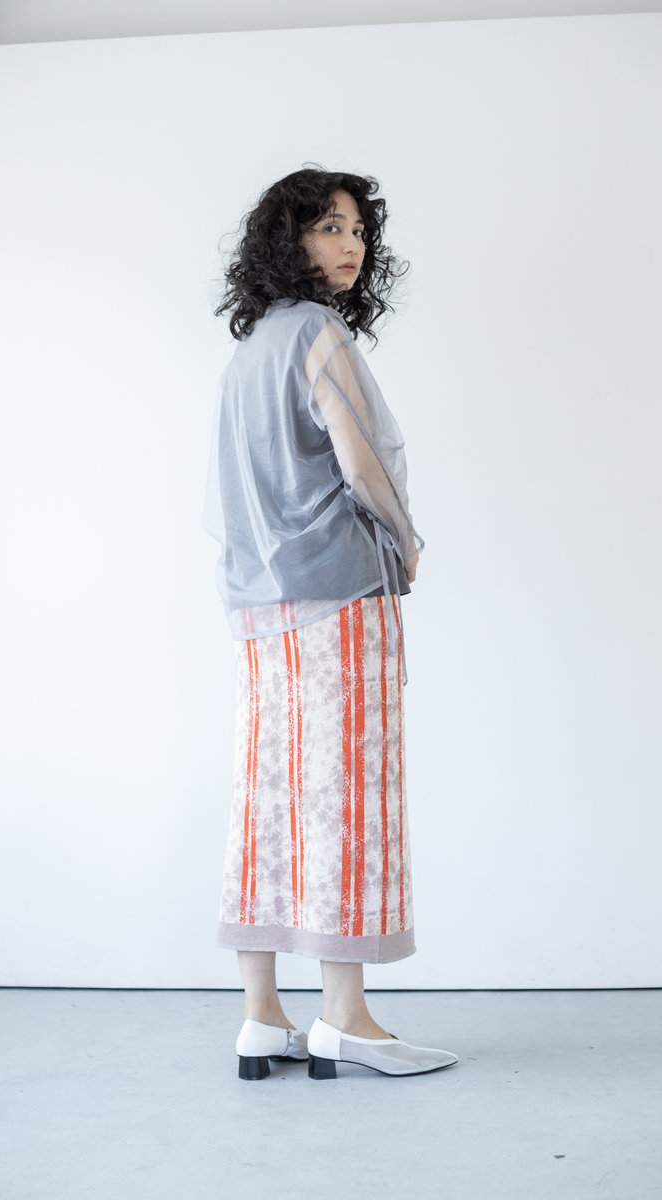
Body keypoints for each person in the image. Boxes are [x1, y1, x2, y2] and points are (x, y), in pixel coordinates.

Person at [203, 167, 457, 1081]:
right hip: (340, 594)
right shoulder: (317, 331)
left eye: (356, 228)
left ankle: (262, 1015)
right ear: (289, 240)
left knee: (269, 794)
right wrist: (406, 539)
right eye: (328, 227)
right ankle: (345, 1018)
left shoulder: (249, 350)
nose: (350, 244)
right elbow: (359, 455)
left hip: (260, 605)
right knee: (348, 795)